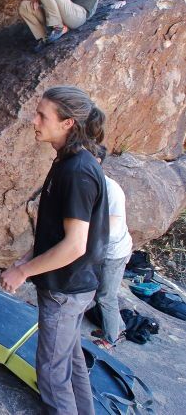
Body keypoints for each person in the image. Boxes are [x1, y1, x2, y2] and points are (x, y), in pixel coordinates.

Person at [0, 86, 110, 415]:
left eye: (42, 115)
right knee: (70, 361)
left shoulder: (77, 172)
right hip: (73, 285)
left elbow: (75, 245)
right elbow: (57, 232)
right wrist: (28, 258)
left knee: (50, 373)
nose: (34, 120)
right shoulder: (68, 161)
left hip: (67, 287)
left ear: (67, 124)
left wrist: (22, 272)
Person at [88, 145, 133, 349]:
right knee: (102, 292)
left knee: (106, 295)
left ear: (97, 161)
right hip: (102, 249)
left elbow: (113, 228)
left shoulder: (111, 189)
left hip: (114, 252)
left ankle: (110, 339)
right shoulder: (92, 184)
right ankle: (116, 328)